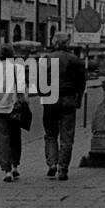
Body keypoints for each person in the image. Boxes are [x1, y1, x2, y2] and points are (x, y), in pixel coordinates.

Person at [43, 32, 86, 181]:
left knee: (50, 134)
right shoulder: (76, 61)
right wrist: (78, 99)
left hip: (50, 99)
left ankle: (52, 163)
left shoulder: (46, 59)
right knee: (67, 136)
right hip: (68, 99)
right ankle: (63, 168)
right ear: (67, 43)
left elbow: (39, 82)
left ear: (54, 42)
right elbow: (81, 84)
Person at [0, 44, 27, 182]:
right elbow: (21, 89)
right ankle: (15, 165)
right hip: (13, 107)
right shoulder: (18, 68)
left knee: (2, 138)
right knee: (15, 136)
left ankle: (7, 170)